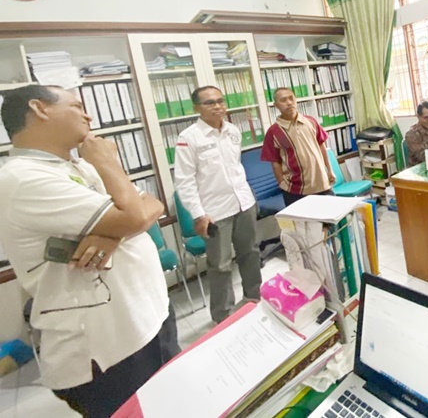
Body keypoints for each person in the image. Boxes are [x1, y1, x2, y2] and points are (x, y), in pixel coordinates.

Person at [0, 85, 179, 417]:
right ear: (40, 109)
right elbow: (137, 213)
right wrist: (108, 163)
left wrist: (113, 234)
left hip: (150, 316)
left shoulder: (77, 167)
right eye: (77, 105)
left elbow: (152, 204)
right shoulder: (24, 178)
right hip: (109, 348)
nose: (88, 114)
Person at [174, 86, 262, 324]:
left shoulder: (233, 131)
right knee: (220, 266)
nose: (217, 106)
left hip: (243, 203)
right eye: (210, 103)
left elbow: (235, 167)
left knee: (250, 253)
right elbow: (184, 181)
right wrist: (199, 215)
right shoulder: (189, 138)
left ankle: (254, 298)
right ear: (196, 108)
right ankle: (223, 317)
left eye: (220, 101)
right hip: (215, 213)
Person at [261, 87, 336, 206]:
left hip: (322, 183)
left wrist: (330, 170)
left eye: (291, 98)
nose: (289, 103)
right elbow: (275, 162)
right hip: (295, 190)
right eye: (283, 100)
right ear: (276, 105)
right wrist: (282, 183)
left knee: (330, 220)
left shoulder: (310, 121)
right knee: (304, 224)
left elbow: (321, 145)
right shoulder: (273, 132)